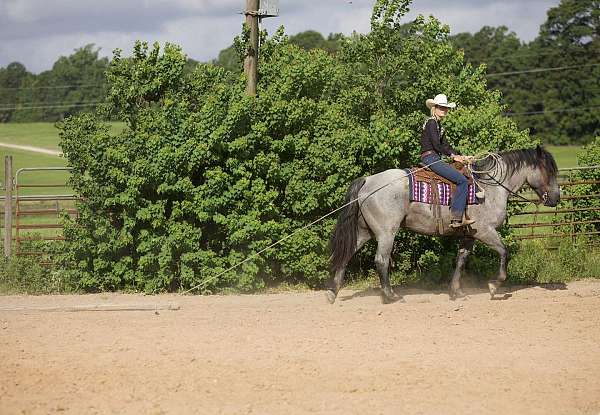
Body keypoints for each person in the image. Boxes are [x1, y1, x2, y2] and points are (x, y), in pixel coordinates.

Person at [420, 94, 475, 228]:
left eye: (445, 108)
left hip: (434, 157)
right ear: (435, 108)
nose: (444, 110)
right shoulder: (432, 123)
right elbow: (437, 145)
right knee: (462, 180)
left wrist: (461, 156)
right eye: (441, 107)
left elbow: (446, 146)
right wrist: (453, 156)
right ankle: (456, 218)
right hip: (430, 158)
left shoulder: (439, 126)